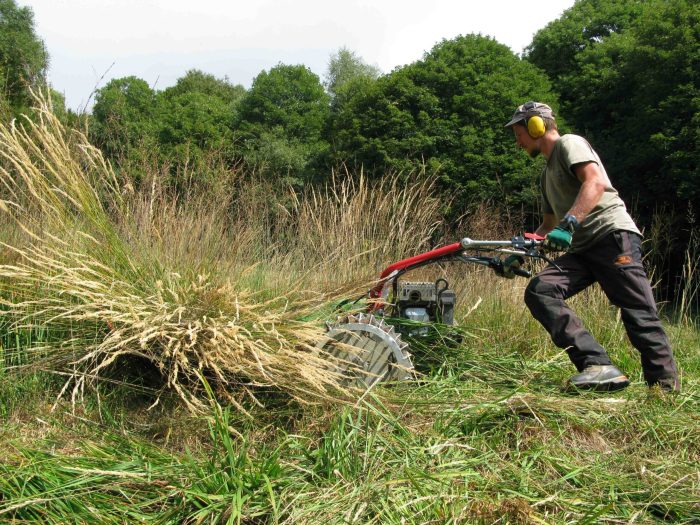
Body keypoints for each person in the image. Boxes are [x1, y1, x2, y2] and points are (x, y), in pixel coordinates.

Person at [504, 101, 679, 392]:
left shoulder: (570, 144)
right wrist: (519, 256)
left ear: (536, 125)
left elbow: (595, 182)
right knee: (541, 291)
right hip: (583, 249)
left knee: (637, 312)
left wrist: (569, 224)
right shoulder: (546, 176)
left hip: (611, 236)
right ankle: (598, 365)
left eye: (519, 133)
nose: (518, 142)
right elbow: (548, 225)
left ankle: (664, 390)